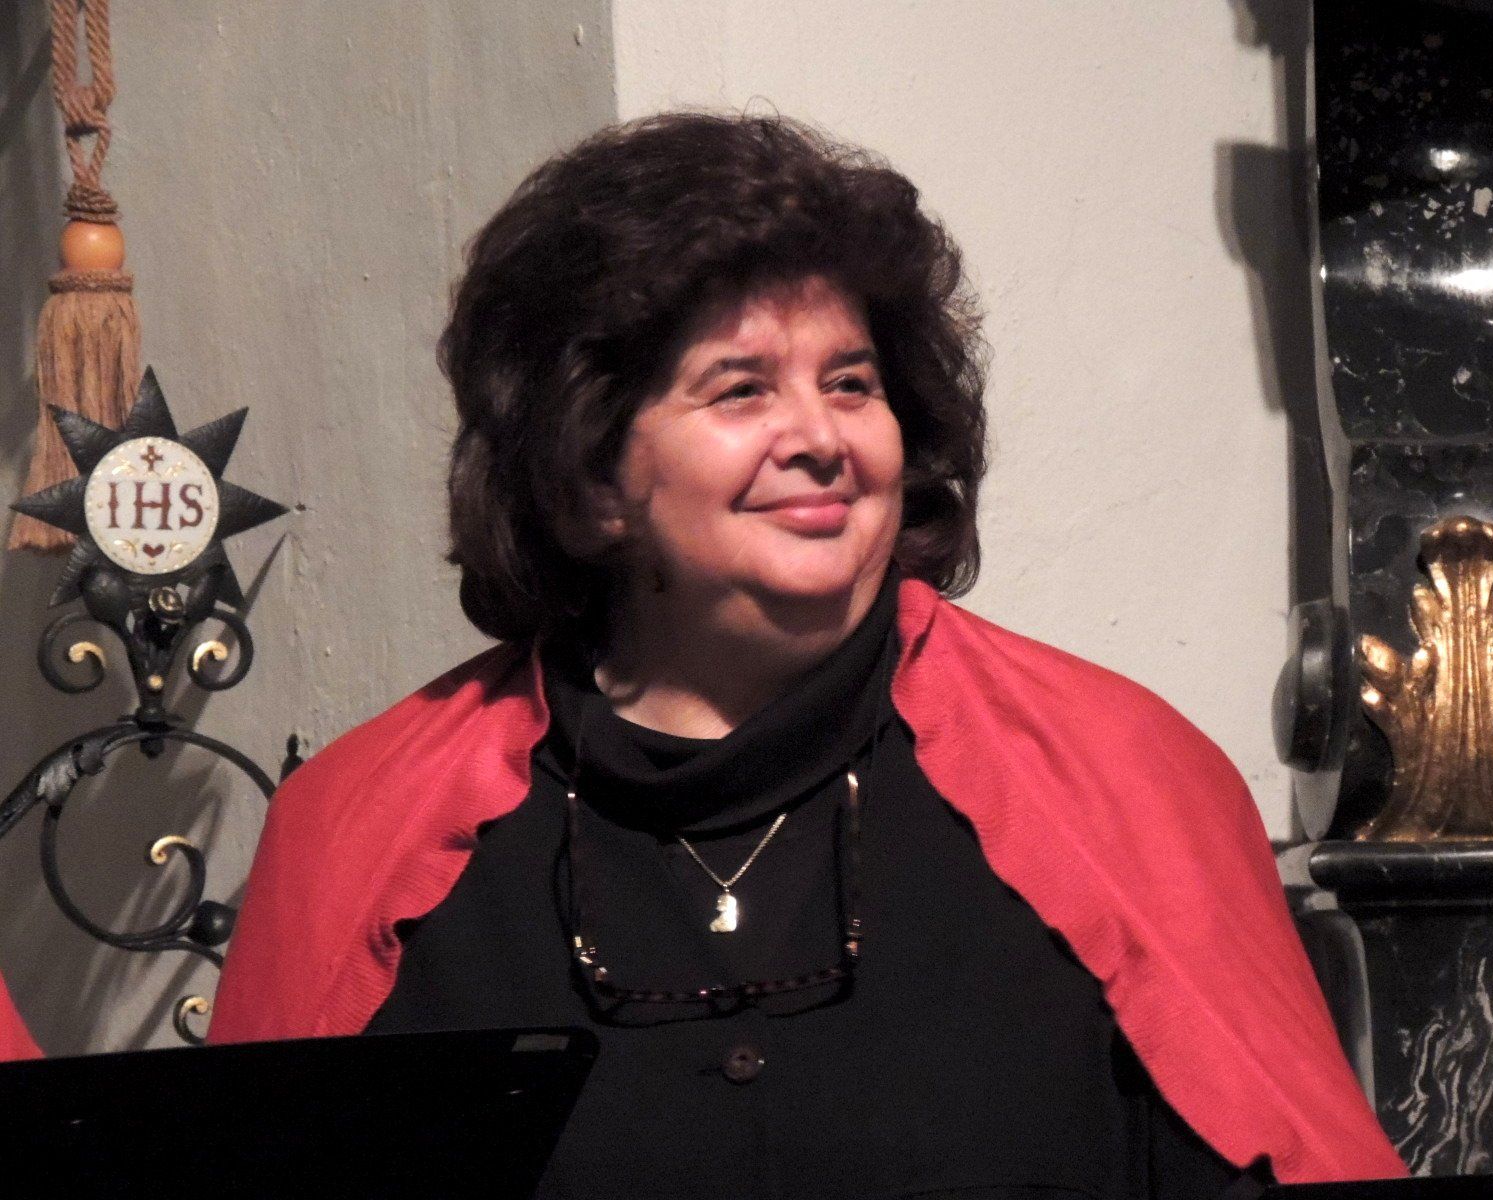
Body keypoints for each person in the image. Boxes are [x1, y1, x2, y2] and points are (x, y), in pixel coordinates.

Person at [209, 113, 1404, 1196]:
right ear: (587, 481)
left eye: (850, 382)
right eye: (740, 390)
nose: (821, 438)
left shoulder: (1126, 775)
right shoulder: (355, 832)